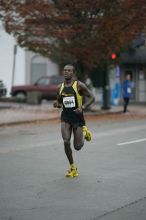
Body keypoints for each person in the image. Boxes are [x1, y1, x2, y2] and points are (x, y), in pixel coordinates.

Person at [53, 64, 95, 178]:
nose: (66, 72)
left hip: (78, 118)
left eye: (69, 70)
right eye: (64, 70)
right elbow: (59, 102)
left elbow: (92, 97)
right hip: (65, 117)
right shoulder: (59, 87)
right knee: (66, 141)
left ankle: (85, 132)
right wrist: (57, 104)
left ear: (73, 73)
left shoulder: (79, 85)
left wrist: (83, 107)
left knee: (77, 146)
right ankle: (72, 167)